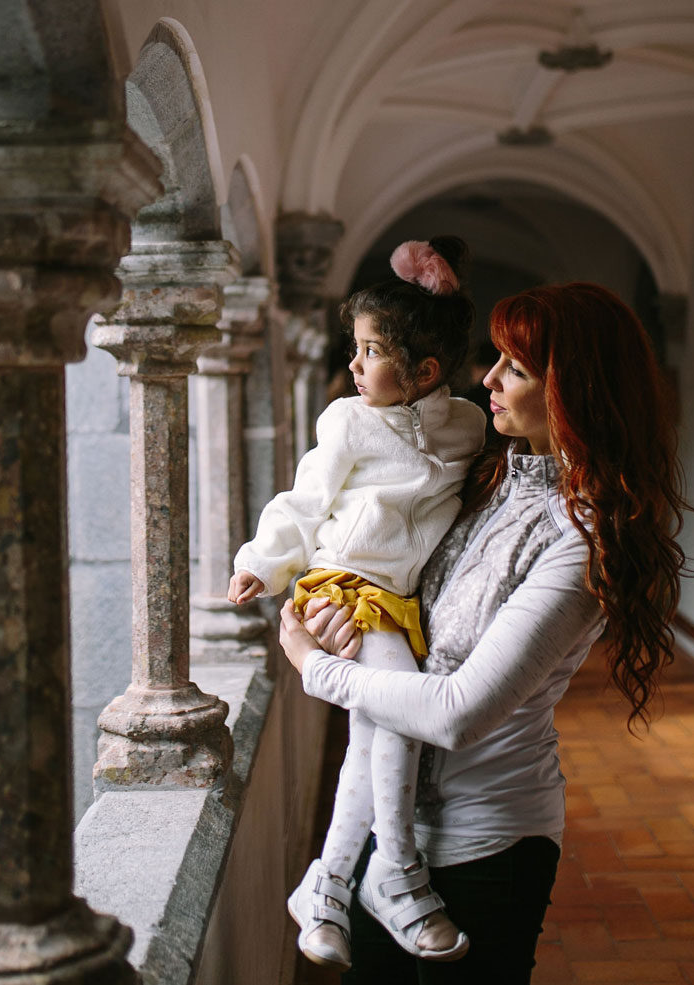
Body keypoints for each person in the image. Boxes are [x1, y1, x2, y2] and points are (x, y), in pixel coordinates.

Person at [279, 281, 691, 984]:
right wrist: (343, 620)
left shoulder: (583, 540)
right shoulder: (482, 479)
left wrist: (314, 666)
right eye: (495, 357)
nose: (488, 377)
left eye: (515, 367)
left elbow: (459, 711)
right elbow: (395, 593)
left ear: (574, 391)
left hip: (485, 842)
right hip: (389, 827)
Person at [229, 239, 487, 970]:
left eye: (370, 351)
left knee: (373, 734)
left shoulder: (467, 427)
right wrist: (260, 563)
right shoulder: (347, 421)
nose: (353, 364)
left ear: (424, 372)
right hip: (340, 583)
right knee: (400, 710)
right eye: (355, 348)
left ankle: (329, 885)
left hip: (395, 602)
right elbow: (303, 500)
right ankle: (395, 869)